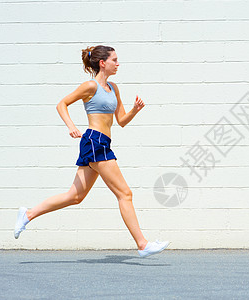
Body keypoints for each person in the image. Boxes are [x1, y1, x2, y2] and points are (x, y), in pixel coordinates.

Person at [14, 45, 169, 258]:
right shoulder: (90, 86)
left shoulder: (114, 88)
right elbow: (62, 104)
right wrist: (71, 126)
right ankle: (142, 244)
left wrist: (134, 110)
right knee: (125, 193)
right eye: (114, 60)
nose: (118, 63)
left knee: (75, 196)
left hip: (101, 142)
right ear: (102, 63)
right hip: (95, 142)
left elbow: (121, 121)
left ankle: (28, 214)